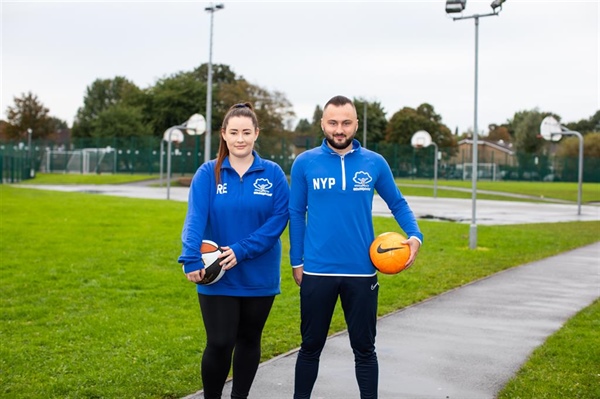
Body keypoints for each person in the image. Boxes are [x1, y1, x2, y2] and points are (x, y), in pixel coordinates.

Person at [288, 95, 423, 399]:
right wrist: (297, 260)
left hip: (362, 273)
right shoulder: (305, 162)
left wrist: (414, 235)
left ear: (356, 124)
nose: (339, 129)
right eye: (333, 122)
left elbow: (397, 203)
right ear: (323, 123)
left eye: (346, 123)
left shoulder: (374, 162)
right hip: (318, 271)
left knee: (364, 349)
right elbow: (296, 212)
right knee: (310, 347)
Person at [178, 102, 290, 399]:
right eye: (234, 132)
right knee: (219, 341)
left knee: (250, 340)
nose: (240, 139)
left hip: (259, 272)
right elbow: (195, 218)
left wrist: (241, 250)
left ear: (256, 134)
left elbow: (279, 219)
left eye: (246, 132)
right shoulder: (208, 173)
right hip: (218, 275)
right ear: (224, 135)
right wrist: (190, 256)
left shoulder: (274, 173)